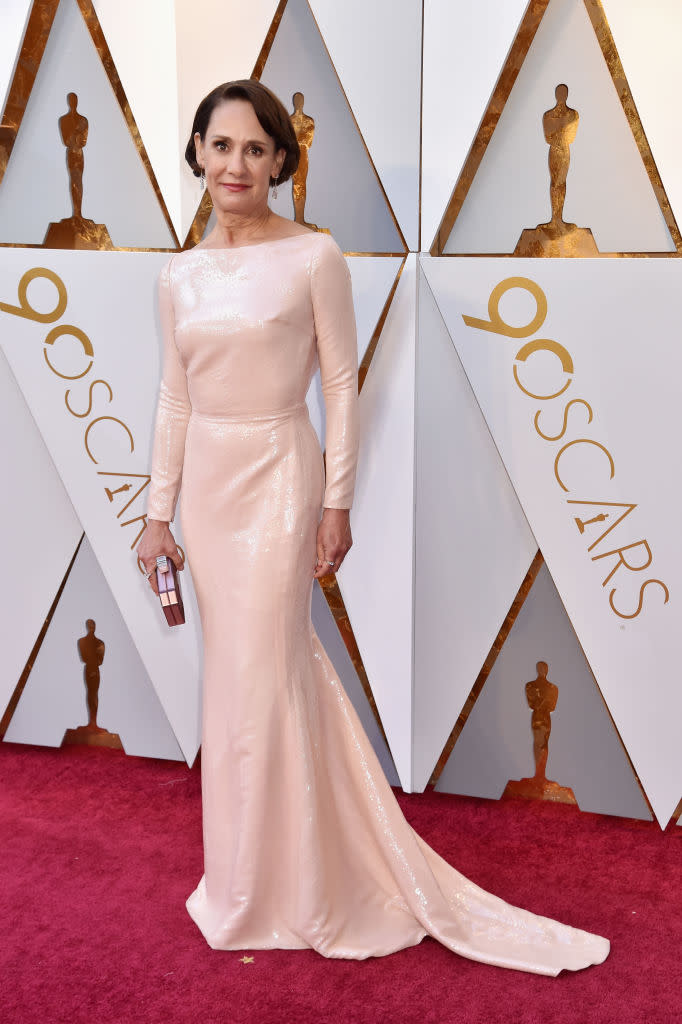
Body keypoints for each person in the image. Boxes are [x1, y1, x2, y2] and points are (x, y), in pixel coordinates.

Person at [136, 79, 609, 974]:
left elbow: (342, 385)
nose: (237, 164)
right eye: (221, 144)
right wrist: (157, 515)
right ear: (196, 152)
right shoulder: (178, 274)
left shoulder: (315, 256)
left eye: (256, 149)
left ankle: (300, 883)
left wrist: (335, 501)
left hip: (280, 473)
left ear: (281, 161)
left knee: (268, 674)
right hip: (206, 483)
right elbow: (172, 395)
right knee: (231, 686)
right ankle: (242, 882)